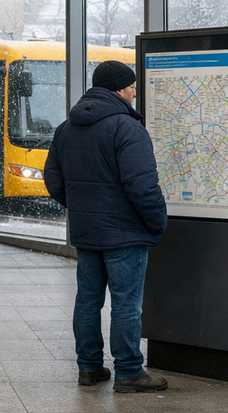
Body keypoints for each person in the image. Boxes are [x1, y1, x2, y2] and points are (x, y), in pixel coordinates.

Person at [44, 60, 169, 394]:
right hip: (125, 233)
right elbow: (142, 187)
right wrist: (157, 223)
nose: (134, 93)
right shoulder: (126, 128)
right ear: (118, 88)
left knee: (87, 300)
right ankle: (128, 371)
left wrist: (84, 208)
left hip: (88, 232)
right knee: (126, 303)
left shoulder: (66, 128)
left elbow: (54, 181)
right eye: (131, 87)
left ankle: (89, 368)